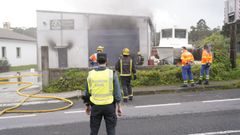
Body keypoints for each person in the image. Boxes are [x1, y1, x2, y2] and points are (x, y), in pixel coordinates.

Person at [82, 53, 122, 135]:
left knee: (94, 131)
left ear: (97, 61)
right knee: (111, 130)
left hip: (95, 106)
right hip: (109, 106)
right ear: (107, 61)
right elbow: (117, 92)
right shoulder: (112, 73)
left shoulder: (91, 74)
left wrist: (87, 106)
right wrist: (119, 107)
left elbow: (87, 92)